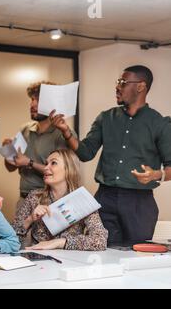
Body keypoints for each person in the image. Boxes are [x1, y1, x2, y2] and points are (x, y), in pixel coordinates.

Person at [50, 65, 171, 244]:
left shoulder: (160, 124)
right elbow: (85, 152)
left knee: (136, 254)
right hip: (105, 197)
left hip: (139, 202)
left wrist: (157, 175)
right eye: (118, 82)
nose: (117, 87)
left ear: (140, 86)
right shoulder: (106, 118)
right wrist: (66, 130)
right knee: (102, 249)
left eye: (123, 82)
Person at [12, 149, 108, 251]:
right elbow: (10, 238)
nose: (46, 167)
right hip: (41, 261)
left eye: (53, 163)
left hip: (73, 262)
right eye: (46, 163)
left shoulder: (82, 199)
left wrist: (60, 242)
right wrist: (30, 219)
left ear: (68, 169)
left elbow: (100, 240)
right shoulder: (34, 197)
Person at [3, 81, 76, 202]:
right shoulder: (25, 129)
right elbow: (11, 168)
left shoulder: (64, 134)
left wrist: (29, 162)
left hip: (50, 200)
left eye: (38, 100)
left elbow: (65, 172)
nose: (32, 104)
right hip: (24, 198)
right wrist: (8, 151)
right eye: (32, 100)